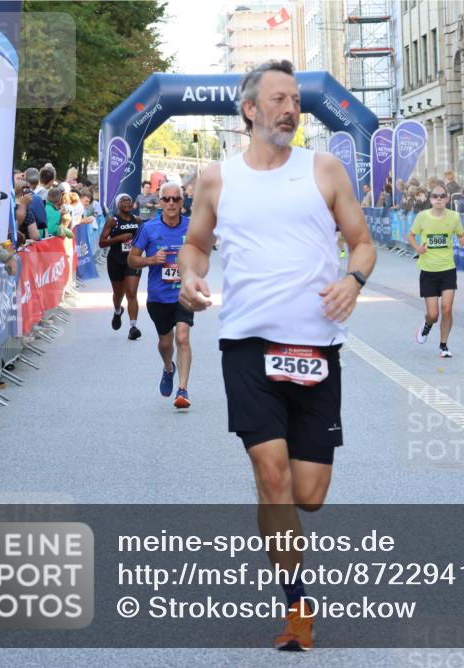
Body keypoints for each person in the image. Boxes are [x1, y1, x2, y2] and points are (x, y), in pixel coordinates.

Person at [176, 59, 376, 651]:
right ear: (251, 109)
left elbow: (362, 243)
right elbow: (194, 245)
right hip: (247, 345)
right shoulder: (217, 179)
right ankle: (298, 609)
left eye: (296, 100)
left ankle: (276, 513)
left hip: (316, 348)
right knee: (271, 476)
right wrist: (190, 277)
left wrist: (352, 281)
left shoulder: (324, 169)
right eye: (280, 99)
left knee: (307, 495)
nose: (291, 109)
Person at [127, 182, 193, 408]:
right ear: (160, 202)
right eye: (167, 199)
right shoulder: (149, 228)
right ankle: (168, 368)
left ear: (182, 202)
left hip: (184, 294)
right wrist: (151, 260)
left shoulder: (192, 227)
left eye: (176, 199)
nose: (171, 203)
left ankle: (182, 390)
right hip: (158, 296)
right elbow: (132, 259)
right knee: (166, 342)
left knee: (182, 337)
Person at [406, 183, 464, 357]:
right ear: (430, 198)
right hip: (428, 270)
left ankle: (443, 346)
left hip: (448, 269)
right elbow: (410, 235)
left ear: (447, 198)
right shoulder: (422, 217)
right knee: (433, 314)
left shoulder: (454, 217)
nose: (438, 199)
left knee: (447, 309)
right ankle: (427, 325)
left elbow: (461, 236)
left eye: (442, 196)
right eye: (435, 196)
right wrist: (417, 248)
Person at [98, 193, 143, 339]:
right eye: (123, 200)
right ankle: (117, 311)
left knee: (131, 292)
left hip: (133, 260)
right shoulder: (113, 221)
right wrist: (119, 238)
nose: (127, 202)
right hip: (116, 261)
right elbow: (102, 242)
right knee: (119, 295)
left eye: (129, 200)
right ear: (118, 204)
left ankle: (133, 327)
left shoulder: (137, 220)